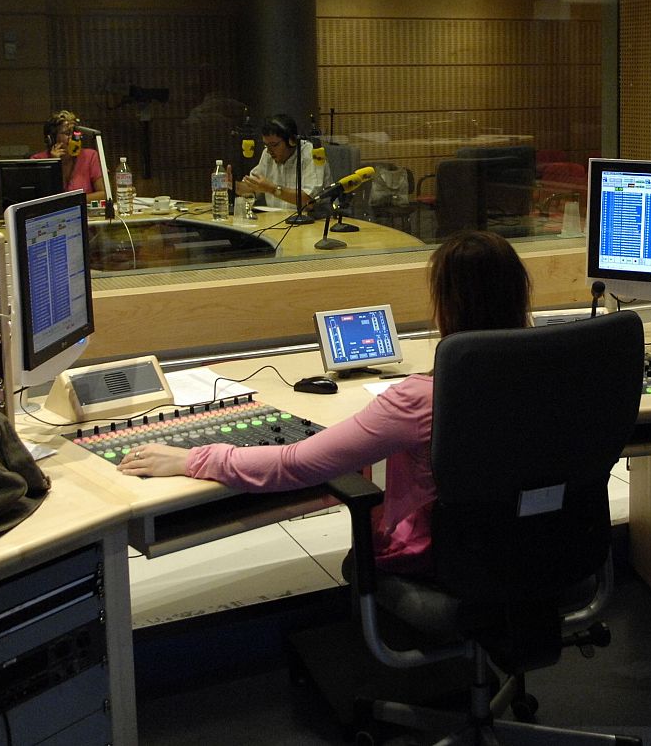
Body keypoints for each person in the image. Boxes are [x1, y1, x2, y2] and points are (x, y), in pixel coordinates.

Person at [117, 230, 532, 575]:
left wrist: (193, 459)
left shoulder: (422, 399)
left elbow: (294, 464)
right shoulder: (556, 370)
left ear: (446, 307)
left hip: (439, 558)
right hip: (539, 543)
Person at [236, 113, 331, 212]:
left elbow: (309, 200)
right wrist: (233, 185)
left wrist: (272, 189)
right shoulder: (267, 154)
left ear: (291, 141)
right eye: (266, 145)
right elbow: (253, 188)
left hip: (314, 221)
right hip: (277, 221)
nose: (269, 151)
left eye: (274, 145)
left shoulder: (312, 154)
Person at [32, 109, 106, 203]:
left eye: (74, 133)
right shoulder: (38, 160)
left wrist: (72, 201)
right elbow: (40, 200)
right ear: (52, 138)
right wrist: (54, 165)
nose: (73, 138)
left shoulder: (90, 156)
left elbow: (104, 194)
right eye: (67, 133)